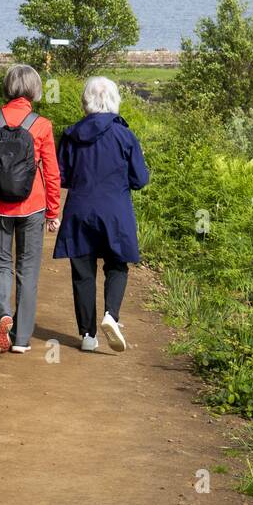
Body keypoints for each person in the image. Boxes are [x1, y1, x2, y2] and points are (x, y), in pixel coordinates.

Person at [0, 64, 61, 353]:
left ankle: (3, 312)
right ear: (34, 89)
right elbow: (53, 174)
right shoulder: (42, 125)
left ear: (8, 87)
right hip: (33, 206)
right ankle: (22, 339)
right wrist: (53, 212)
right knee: (27, 271)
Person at [53, 76, 149, 352]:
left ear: (86, 101)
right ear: (115, 99)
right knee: (117, 265)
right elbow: (140, 179)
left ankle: (87, 336)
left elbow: (62, 176)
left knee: (82, 272)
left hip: (80, 209)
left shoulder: (72, 135)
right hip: (115, 211)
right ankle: (111, 315)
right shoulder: (125, 135)